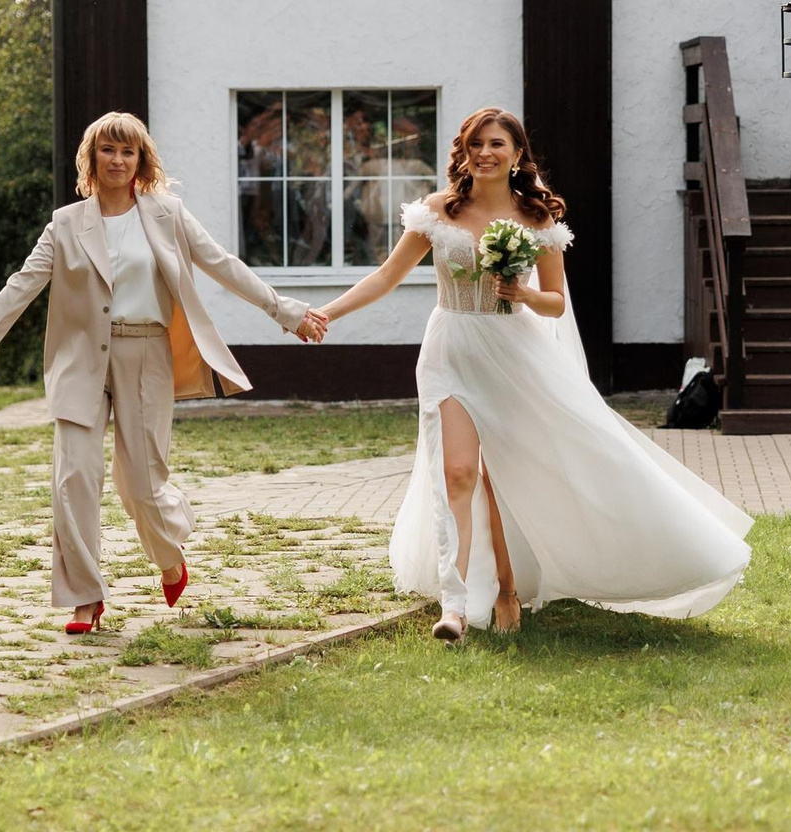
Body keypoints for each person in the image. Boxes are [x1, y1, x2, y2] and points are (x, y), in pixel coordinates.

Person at [313, 106, 753, 639]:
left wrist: (520, 292)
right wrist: (325, 313)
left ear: (517, 155)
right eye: (475, 144)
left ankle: (507, 589)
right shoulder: (437, 211)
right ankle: (453, 605)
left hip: (511, 351)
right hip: (450, 345)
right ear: (464, 152)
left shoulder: (536, 219)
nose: (484, 153)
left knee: (503, 481)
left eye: (496, 144)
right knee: (456, 471)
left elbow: (555, 304)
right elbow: (385, 278)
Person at [0, 111, 325, 633]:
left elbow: (223, 264)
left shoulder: (167, 215)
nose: (118, 160)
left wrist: (289, 313)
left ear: (141, 160)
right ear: (91, 158)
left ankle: (169, 552)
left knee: (141, 486)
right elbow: (20, 286)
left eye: (128, 152)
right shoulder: (65, 223)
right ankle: (85, 598)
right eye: (108, 151)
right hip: (80, 359)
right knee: (73, 478)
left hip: (146, 354)